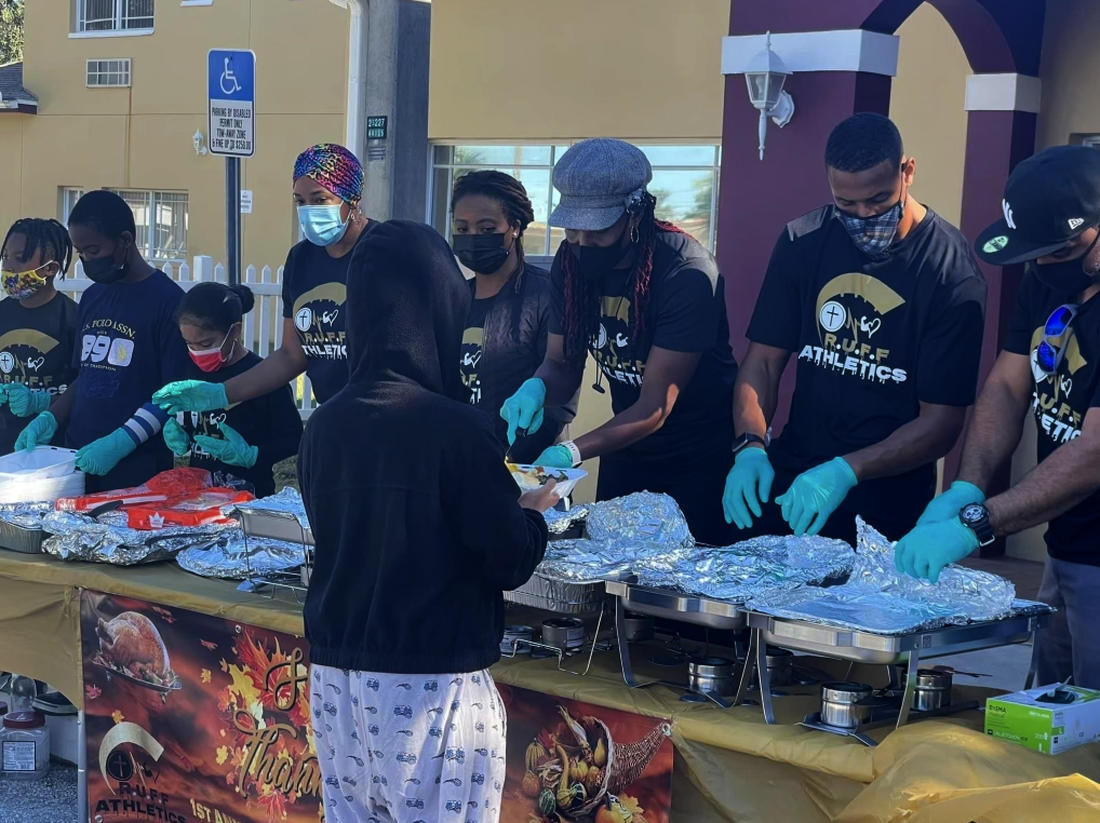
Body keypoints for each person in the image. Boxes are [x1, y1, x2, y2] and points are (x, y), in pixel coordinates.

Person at [299, 219, 556, 823]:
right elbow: (508, 558)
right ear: (441, 309)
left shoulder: (324, 425)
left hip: (336, 681)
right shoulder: (456, 428)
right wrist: (531, 514)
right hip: (431, 687)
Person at [722, 113, 986, 544]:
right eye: (846, 204)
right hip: (796, 479)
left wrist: (847, 470)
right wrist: (750, 445)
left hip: (888, 500)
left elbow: (942, 423)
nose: (864, 215)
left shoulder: (950, 272)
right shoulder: (803, 241)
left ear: (907, 172)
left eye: (879, 200)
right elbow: (763, 362)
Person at [895, 145, 1100, 689]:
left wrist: (978, 523)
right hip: (1069, 542)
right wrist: (968, 486)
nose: (1045, 265)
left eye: (1061, 250)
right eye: (1037, 254)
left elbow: (1094, 453)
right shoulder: (1050, 277)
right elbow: (1008, 386)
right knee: (1049, 714)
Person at [500, 138, 738, 544]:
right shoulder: (570, 263)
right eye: (572, 228)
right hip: (624, 446)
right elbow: (561, 363)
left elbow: (656, 406)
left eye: (596, 230)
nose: (581, 241)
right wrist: (537, 387)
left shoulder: (685, 273)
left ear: (635, 213)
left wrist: (571, 452)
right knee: (613, 568)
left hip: (699, 457)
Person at [152, 143, 371, 417]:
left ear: (351, 198)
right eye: (300, 201)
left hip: (386, 418)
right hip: (335, 416)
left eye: (319, 199)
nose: (308, 210)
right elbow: (291, 355)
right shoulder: (301, 260)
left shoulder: (382, 251)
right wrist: (221, 393)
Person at [15, 191, 189, 491]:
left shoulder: (169, 301)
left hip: (137, 467)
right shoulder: (93, 297)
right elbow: (87, 375)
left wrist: (123, 439)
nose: (86, 260)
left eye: (93, 250)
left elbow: (172, 394)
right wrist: (50, 417)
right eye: (80, 252)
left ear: (125, 240)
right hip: (77, 457)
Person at [451, 170, 576, 462]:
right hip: (459, 465)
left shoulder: (547, 296)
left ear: (515, 227)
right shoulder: (451, 299)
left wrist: (512, 459)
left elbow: (561, 398)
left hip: (525, 470)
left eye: (486, 228)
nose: (472, 238)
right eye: (462, 228)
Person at [162, 282, 302, 497]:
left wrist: (253, 455)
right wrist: (181, 433)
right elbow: (192, 421)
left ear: (235, 331)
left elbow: (293, 439)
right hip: (199, 494)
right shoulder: (188, 370)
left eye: (206, 344)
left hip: (251, 496)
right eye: (189, 344)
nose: (197, 352)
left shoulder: (263, 376)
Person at [0, 219, 79, 454]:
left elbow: (84, 388)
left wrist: (41, 402)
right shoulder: (2, 313)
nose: (8, 266)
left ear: (50, 269)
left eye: (19, 258)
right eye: (5, 256)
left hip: (50, 449)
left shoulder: (73, 319)